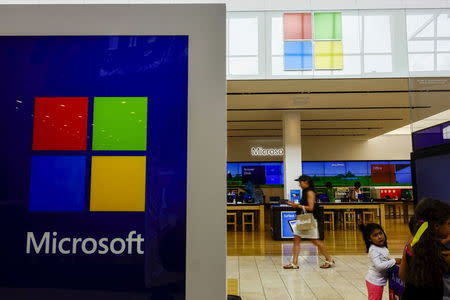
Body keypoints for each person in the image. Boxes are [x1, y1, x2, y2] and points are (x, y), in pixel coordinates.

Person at [399, 198, 450, 300]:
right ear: (436, 226)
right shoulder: (445, 255)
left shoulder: (410, 245)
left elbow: (403, 276)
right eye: (449, 224)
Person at [283, 175, 335, 269]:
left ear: (306, 182)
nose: (299, 184)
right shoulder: (305, 191)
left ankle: (329, 259)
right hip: (303, 218)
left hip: (308, 219)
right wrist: (295, 204)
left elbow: (311, 207)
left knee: (315, 240)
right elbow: (305, 205)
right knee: (296, 240)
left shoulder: (310, 192)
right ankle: (294, 263)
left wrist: (297, 206)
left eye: (300, 182)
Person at [360, 223, 401, 300]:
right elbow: (379, 266)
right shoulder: (373, 249)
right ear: (369, 239)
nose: (379, 237)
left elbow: (385, 260)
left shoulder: (382, 247)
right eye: (375, 235)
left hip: (378, 281)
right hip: (374, 282)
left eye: (380, 233)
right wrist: (394, 261)